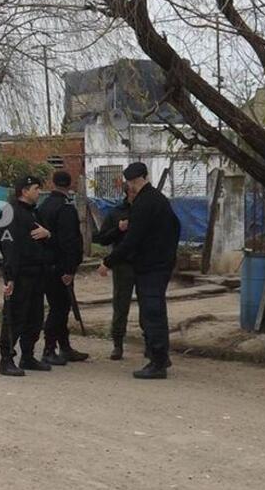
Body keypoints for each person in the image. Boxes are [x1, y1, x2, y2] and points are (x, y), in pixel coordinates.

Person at [99, 162, 180, 379]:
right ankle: (160, 355)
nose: (130, 187)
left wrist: (108, 261)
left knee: (152, 312)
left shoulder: (145, 203)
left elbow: (132, 240)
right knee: (153, 311)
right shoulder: (158, 200)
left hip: (151, 266)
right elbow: (175, 228)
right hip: (159, 264)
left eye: (132, 183)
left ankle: (158, 363)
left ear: (139, 180)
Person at [0, 175, 54, 376]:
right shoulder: (11, 213)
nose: (39, 192)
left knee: (35, 317)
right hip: (20, 275)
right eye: (36, 189)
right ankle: (6, 359)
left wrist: (48, 234)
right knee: (15, 316)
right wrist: (10, 277)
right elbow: (9, 246)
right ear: (25, 191)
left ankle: (28, 355)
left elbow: (46, 238)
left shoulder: (34, 213)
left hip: (37, 273)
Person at [39, 170, 88, 366]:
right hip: (60, 267)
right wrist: (69, 270)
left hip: (47, 264)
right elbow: (70, 242)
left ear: (53, 183)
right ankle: (49, 349)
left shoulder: (44, 206)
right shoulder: (66, 208)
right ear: (70, 185)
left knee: (59, 307)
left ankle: (65, 347)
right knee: (59, 309)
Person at [94, 184, 137, 360]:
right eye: (133, 191)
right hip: (123, 264)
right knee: (121, 304)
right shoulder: (116, 212)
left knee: (150, 304)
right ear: (127, 193)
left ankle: (152, 343)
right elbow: (102, 239)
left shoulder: (148, 209)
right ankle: (118, 343)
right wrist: (118, 230)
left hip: (145, 264)